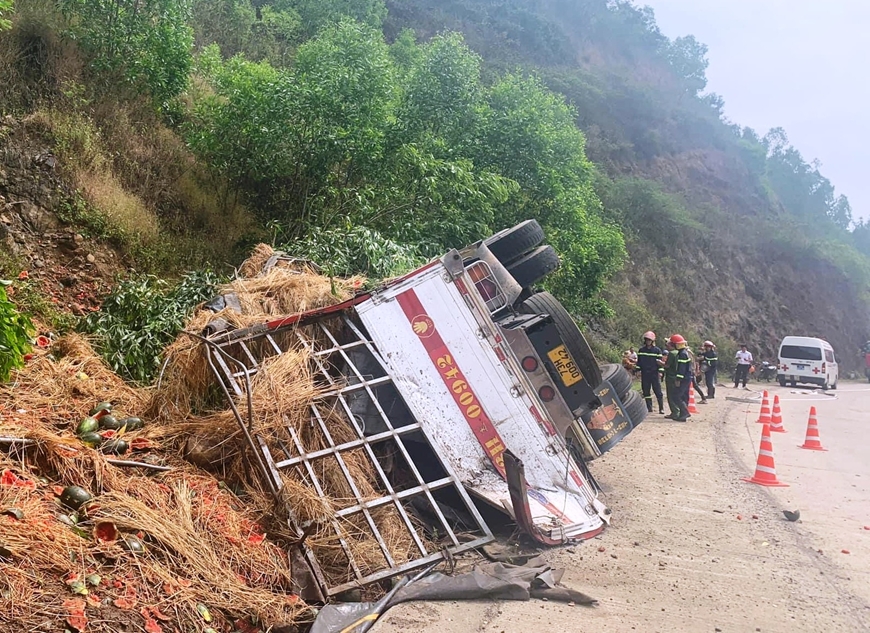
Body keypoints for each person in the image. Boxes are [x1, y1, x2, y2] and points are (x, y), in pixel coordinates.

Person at [637, 332, 665, 414]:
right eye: (646, 340)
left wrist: (660, 372)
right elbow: (639, 362)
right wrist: (638, 370)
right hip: (645, 374)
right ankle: (649, 408)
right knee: (646, 391)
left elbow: (660, 363)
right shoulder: (641, 350)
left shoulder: (657, 350)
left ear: (652, 341)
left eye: (649, 340)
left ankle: (661, 408)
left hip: (654, 373)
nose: (648, 341)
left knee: (658, 391)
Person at [671, 334, 693, 421]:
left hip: (684, 379)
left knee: (675, 396)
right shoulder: (684, 352)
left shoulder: (682, 354)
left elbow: (682, 368)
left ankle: (685, 412)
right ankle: (682, 416)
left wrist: (678, 379)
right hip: (687, 378)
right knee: (684, 396)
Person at [662, 338, 682, 420]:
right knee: (676, 394)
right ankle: (678, 411)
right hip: (677, 376)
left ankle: (674, 412)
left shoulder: (671, 354)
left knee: (670, 395)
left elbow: (667, 365)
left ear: (671, 346)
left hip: (670, 376)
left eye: (667, 345)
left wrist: (660, 363)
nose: (666, 347)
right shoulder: (678, 352)